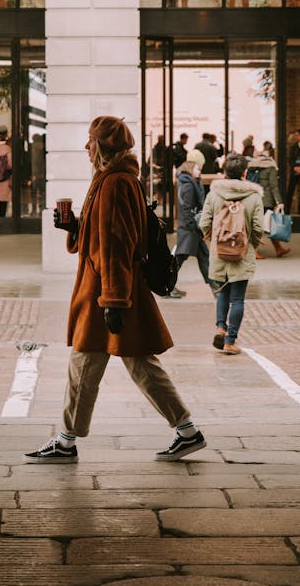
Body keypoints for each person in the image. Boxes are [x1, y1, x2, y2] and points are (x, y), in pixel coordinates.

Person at [25, 115, 206, 463]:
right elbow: (102, 236)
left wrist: (113, 300)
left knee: (86, 363)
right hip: (116, 289)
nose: (85, 146)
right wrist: (75, 227)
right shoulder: (112, 180)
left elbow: (116, 245)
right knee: (138, 364)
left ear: (103, 146)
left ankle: (65, 442)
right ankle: (187, 431)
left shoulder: (114, 184)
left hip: (107, 292)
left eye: (90, 140)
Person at [200, 152, 264, 355]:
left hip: (220, 251)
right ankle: (230, 341)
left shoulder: (214, 194)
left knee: (222, 293)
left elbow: (204, 222)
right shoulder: (254, 197)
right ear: (245, 173)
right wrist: (250, 244)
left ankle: (220, 326)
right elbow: (258, 227)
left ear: (225, 172)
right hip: (242, 253)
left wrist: (215, 240)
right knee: (237, 299)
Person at [173, 156, 212, 292]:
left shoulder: (188, 183)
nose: (199, 171)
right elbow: (187, 207)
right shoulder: (189, 185)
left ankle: (215, 286)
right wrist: (192, 225)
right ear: (190, 169)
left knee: (203, 256)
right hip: (189, 228)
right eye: (196, 168)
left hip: (191, 227)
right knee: (180, 258)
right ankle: (168, 286)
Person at [248, 142, 290, 258]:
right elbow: (274, 186)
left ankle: (278, 248)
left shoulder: (254, 166)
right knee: (260, 226)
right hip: (266, 201)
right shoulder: (270, 168)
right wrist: (279, 202)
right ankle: (254, 251)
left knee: (270, 225)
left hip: (255, 199)